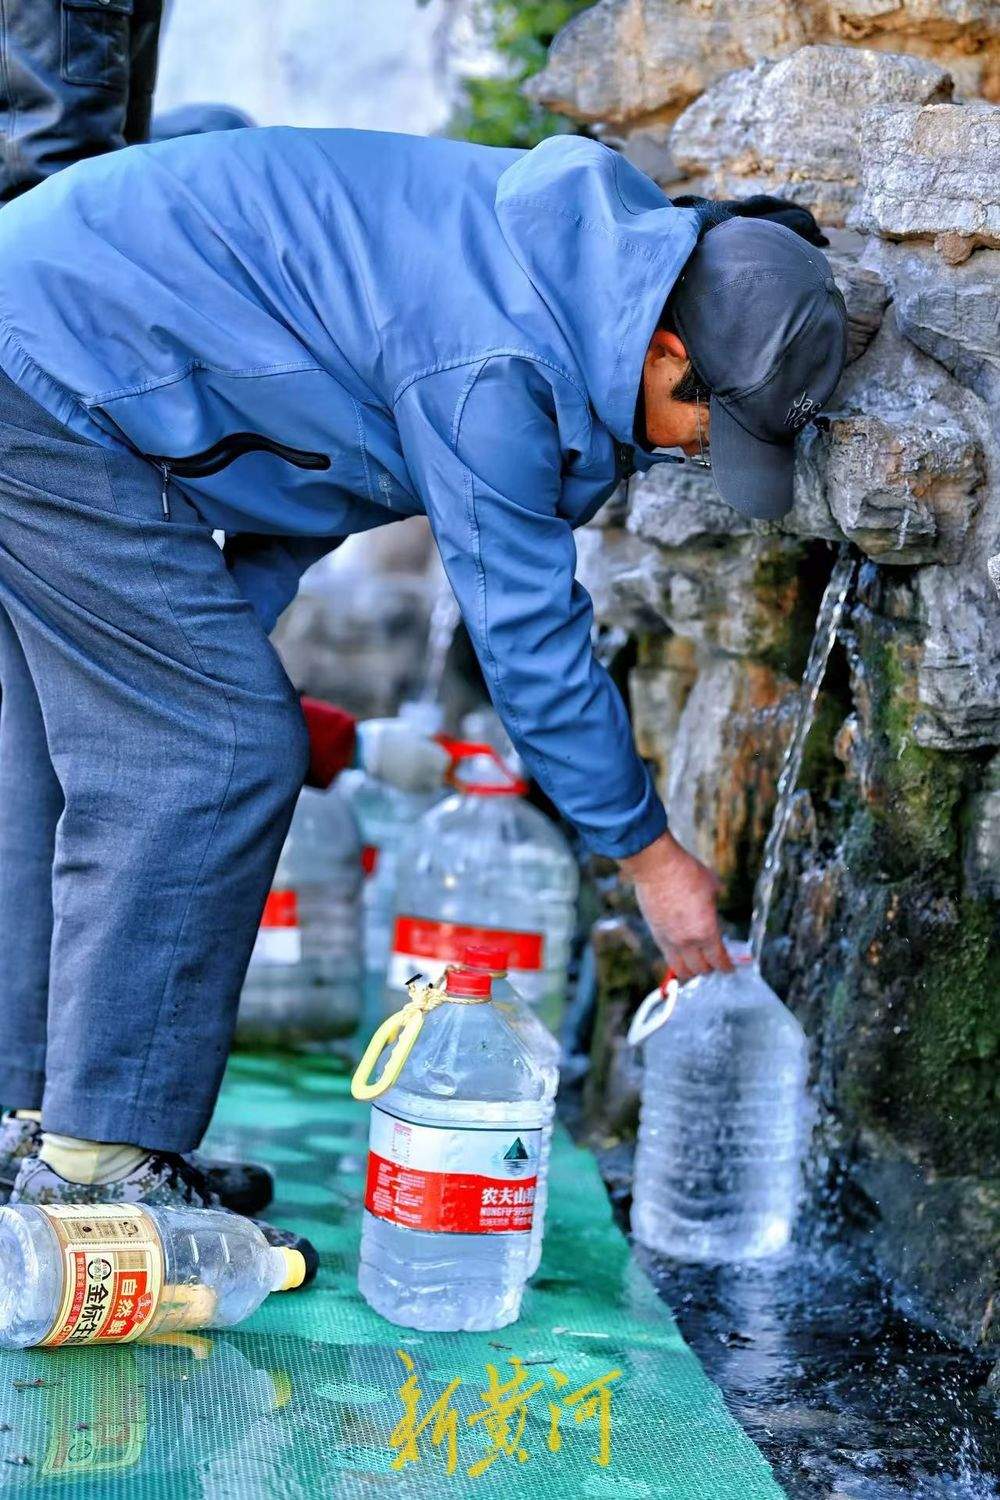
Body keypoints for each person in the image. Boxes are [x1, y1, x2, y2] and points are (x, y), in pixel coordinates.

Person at [0, 128, 847, 1222]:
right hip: (50, 374)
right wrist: (650, 858)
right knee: (214, 753)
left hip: (52, 346)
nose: (695, 453)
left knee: (70, 752)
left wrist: (207, 649)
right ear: (665, 351)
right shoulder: (500, 367)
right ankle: (101, 1165)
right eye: (704, 423)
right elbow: (530, 646)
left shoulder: (574, 266)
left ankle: (33, 1118)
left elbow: (302, 459)